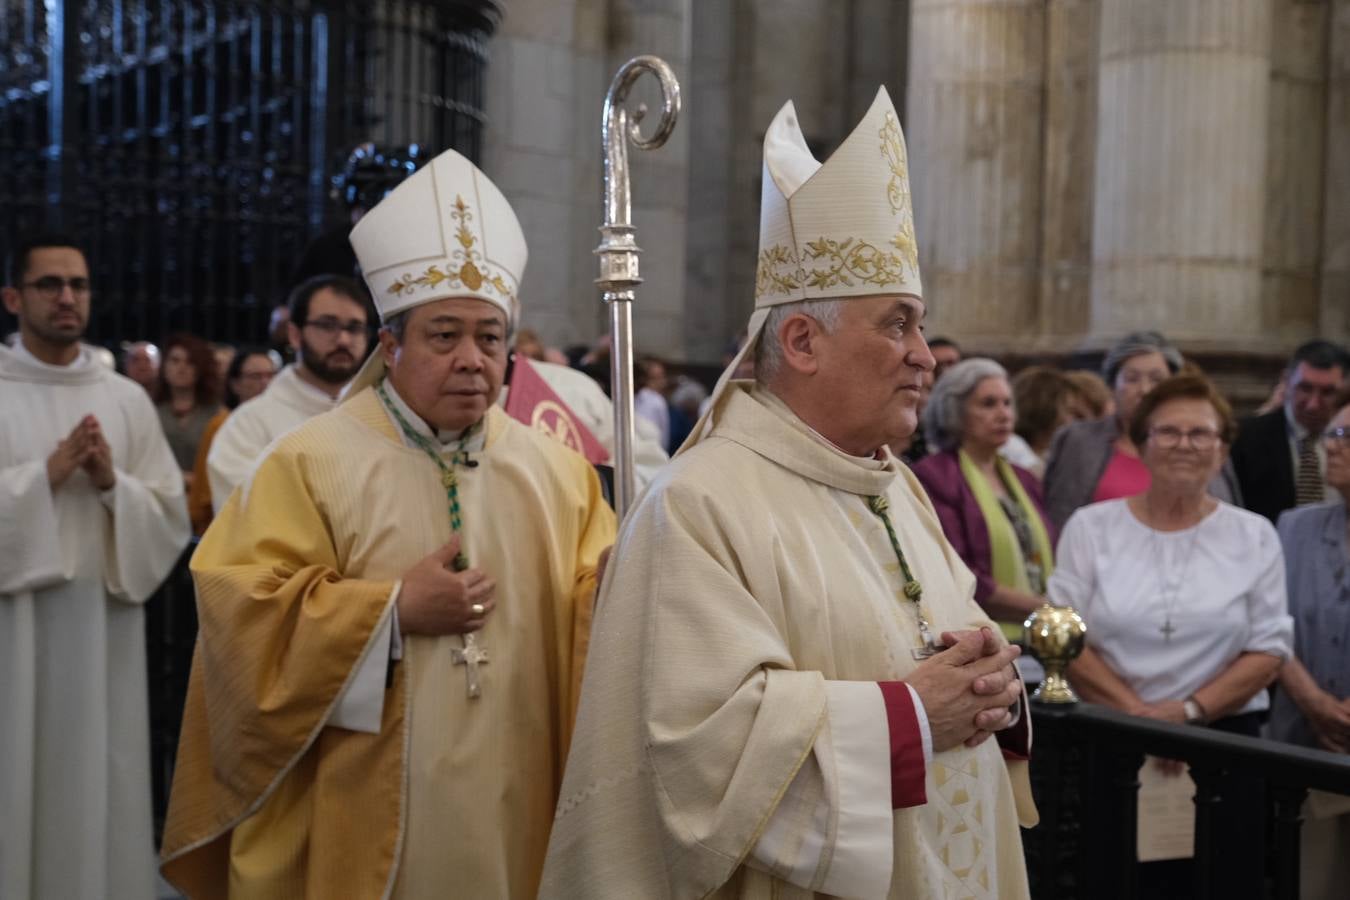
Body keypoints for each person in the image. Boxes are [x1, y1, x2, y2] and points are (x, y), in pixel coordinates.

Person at [540, 87, 1033, 900]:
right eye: (897, 324)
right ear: (802, 340)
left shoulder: (895, 487)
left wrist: (993, 685)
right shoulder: (700, 504)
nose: (925, 358)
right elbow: (695, 752)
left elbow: (956, 634)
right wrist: (908, 720)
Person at [160, 147, 616, 899]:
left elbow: (597, 615)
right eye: (444, 335)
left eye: (490, 337)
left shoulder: (562, 474)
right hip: (363, 817)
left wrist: (617, 591)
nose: (473, 359)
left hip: (520, 798)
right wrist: (388, 614)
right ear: (390, 345)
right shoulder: (307, 463)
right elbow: (241, 616)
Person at [1048, 374, 1291, 896]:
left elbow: (1270, 647)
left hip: (1224, 745)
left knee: (1220, 883)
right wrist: (1142, 721)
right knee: (1117, 883)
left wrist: (1186, 715)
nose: (1185, 444)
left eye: (1200, 434)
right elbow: (1064, 635)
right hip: (1114, 739)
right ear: (1141, 444)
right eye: (1168, 432)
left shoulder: (1254, 535)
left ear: (1223, 450)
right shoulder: (1091, 528)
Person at [0, 234, 190, 898]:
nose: (67, 297)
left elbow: (171, 515)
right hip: (12, 638)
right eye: (50, 284)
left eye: (78, 285)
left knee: (93, 775)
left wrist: (113, 485)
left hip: (100, 633)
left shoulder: (125, 400)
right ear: (13, 297)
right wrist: (41, 479)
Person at [1266, 389, 1350, 898]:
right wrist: (1317, 704)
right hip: (1304, 742)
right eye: (1332, 435)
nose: (1333, 447)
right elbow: (1267, 625)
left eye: (1346, 436)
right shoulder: (1293, 527)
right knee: (1311, 882)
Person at [911, 359, 1056, 639]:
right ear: (955, 412)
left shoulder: (1024, 478)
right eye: (988, 404)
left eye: (1007, 403)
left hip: (1041, 633)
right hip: (980, 633)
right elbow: (956, 569)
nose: (1003, 414)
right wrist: (1045, 607)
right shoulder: (936, 475)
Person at [206, 274, 370, 512]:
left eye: (354, 328)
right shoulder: (248, 425)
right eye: (327, 325)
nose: (343, 339)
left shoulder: (386, 415)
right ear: (295, 335)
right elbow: (245, 515)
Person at [1042, 331, 1235, 531]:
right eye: (1132, 379)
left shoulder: (1204, 442)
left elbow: (1228, 516)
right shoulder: (1079, 441)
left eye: (1156, 379)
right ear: (1112, 385)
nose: (1144, 389)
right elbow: (1059, 519)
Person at [1230, 339, 1347, 524]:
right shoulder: (1244, 439)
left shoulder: (1345, 442)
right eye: (1305, 388)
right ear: (1286, 381)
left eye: (1327, 392)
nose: (1313, 404)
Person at [187, 347, 278, 534]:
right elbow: (204, 493)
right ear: (235, 384)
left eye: (271, 375)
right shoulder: (220, 425)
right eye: (256, 376)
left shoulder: (287, 422)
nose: (265, 383)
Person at [154, 332, 223, 488]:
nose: (182, 367)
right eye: (175, 360)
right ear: (164, 366)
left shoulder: (217, 415)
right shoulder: (151, 412)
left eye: (190, 362)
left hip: (204, 497)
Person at [1006, 364, 1086, 478]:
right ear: (1046, 408)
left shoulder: (1049, 454)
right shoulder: (1011, 446)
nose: (1073, 420)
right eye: (1069, 411)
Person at [634, 354, 672, 450]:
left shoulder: (658, 400)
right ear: (644, 378)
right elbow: (664, 439)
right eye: (655, 378)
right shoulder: (656, 400)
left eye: (662, 377)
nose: (662, 382)